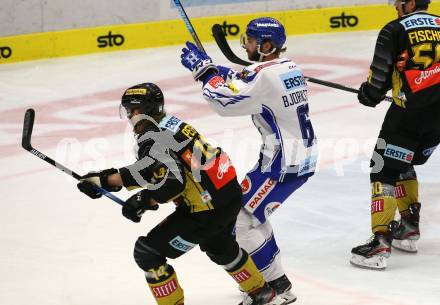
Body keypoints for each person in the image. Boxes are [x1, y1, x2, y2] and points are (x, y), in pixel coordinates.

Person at [76, 83, 286, 305]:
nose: (130, 116)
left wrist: (144, 199)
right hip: (228, 195)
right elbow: (152, 169)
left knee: (148, 252)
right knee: (219, 246)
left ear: (142, 111)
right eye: (128, 111)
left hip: (206, 209)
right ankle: (263, 294)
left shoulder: (152, 136)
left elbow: (173, 183)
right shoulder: (169, 124)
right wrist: (107, 180)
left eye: (132, 110)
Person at [180, 17, 318, 303]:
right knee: (252, 216)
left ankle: (276, 287)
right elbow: (248, 80)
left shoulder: (264, 76)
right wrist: (220, 72)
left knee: (238, 224)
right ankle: (277, 281)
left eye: (251, 40)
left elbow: (224, 103)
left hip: (282, 164)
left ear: (266, 46)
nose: (246, 45)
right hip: (295, 156)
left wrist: (204, 73)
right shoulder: (288, 66)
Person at [350, 0, 440, 270]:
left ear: (411, 2)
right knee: (405, 161)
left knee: (383, 170)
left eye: (399, 2)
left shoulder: (394, 29)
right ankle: (409, 227)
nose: (395, 7)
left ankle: (380, 243)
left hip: (407, 117)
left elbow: (378, 80)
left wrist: (369, 94)